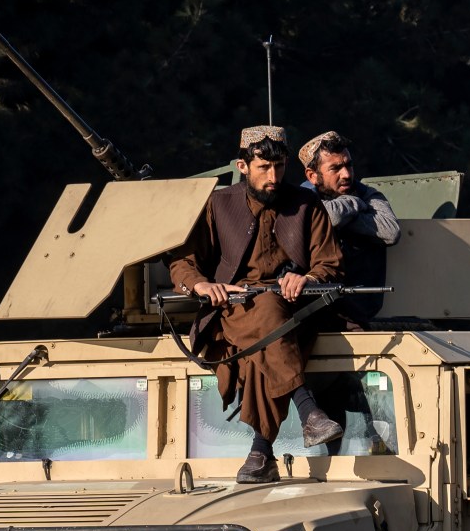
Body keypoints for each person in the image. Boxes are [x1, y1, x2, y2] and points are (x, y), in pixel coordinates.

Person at [169, 125, 344, 484]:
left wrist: (307, 278)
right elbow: (182, 262)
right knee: (267, 316)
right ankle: (307, 409)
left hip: (297, 308)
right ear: (243, 165)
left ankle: (262, 451)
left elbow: (330, 262)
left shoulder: (306, 204)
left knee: (266, 341)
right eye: (264, 168)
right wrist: (202, 284)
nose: (274, 177)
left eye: (279, 168)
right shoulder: (218, 204)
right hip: (232, 307)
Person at [299, 131, 400, 329]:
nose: (346, 174)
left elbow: (391, 231)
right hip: (310, 307)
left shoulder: (367, 193)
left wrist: (345, 219)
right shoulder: (302, 195)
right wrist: (351, 203)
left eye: (348, 165)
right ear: (312, 176)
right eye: (335, 168)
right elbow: (327, 217)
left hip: (355, 310)